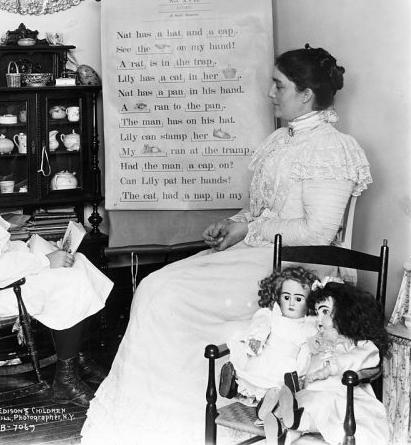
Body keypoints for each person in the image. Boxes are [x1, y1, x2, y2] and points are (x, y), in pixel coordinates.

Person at [81, 45, 373, 444]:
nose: (270, 93)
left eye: (278, 85)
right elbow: (257, 208)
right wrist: (233, 223)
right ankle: (158, 418)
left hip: (299, 268)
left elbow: (318, 233)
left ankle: (178, 422)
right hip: (261, 253)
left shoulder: (331, 147)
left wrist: (248, 232)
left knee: (164, 293)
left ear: (306, 94)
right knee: (154, 286)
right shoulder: (280, 140)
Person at [0, 127, 113, 406]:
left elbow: (0, 256)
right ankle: (66, 379)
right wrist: (45, 261)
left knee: (77, 263)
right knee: (67, 282)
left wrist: (47, 254)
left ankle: (78, 357)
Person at [258, 280, 390, 445]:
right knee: (299, 402)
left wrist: (330, 369)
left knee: (320, 408)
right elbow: (306, 362)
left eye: (325, 311)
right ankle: (278, 425)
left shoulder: (356, 342)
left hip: (340, 394)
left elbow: (360, 357)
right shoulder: (316, 339)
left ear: (344, 313)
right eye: (317, 312)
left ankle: (288, 423)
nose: (318, 318)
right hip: (312, 391)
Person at [220, 266, 318, 402]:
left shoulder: (308, 327)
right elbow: (260, 323)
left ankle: (268, 402)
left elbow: (306, 352)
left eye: (298, 299)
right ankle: (233, 384)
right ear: (278, 296)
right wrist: (258, 337)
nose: (291, 303)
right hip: (263, 356)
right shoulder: (273, 315)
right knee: (249, 371)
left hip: (285, 366)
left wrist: (300, 373)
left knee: (276, 386)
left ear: (309, 303)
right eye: (286, 297)